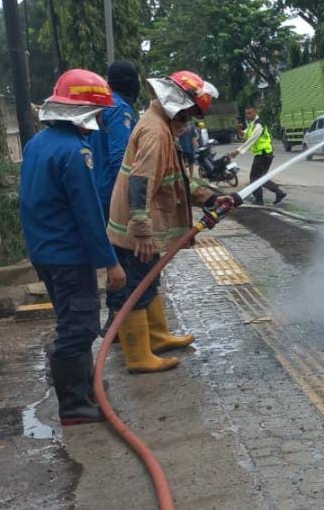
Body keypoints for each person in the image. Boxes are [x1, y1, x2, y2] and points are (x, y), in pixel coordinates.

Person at [106, 70, 239, 373]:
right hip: (136, 227)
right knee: (137, 286)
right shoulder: (156, 132)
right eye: (190, 113)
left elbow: (173, 181)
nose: (190, 120)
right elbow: (141, 182)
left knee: (149, 280)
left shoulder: (160, 125)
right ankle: (139, 357)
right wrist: (141, 231)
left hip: (138, 223)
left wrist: (209, 198)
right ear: (177, 105)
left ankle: (158, 337)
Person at [20, 69, 127, 426]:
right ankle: (73, 406)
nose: (99, 120)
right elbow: (88, 215)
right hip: (68, 254)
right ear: (84, 113)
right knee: (79, 327)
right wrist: (111, 263)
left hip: (45, 252)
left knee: (71, 320)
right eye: (98, 113)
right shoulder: (75, 153)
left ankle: (82, 388)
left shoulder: (37, 144)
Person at [87, 60, 140, 221]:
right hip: (111, 192)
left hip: (95, 187)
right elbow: (120, 157)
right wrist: (132, 199)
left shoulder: (103, 105)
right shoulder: (119, 109)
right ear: (131, 83)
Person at [229, 104, 286, 206]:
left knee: (254, 179)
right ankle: (278, 193)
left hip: (263, 154)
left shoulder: (259, 125)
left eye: (250, 113)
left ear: (255, 112)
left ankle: (260, 200)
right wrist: (239, 129)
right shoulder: (252, 124)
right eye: (246, 113)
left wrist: (237, 152)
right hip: (264, 154)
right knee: (260, 178)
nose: (248, 115)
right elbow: (244, 135)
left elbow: (251, 140)